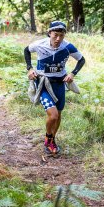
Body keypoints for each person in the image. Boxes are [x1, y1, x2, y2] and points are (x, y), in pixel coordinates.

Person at [24, 21, 85, 155]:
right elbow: (26, 50)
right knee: (53, 116)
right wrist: (29, 68)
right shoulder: (40, 44)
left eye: (61, 36)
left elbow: (81, 60)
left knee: (58, 116)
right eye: (55, 35)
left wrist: (72, 73)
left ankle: (52, 140)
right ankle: (48, 138)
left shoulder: (68, 47)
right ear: (49, 33)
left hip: (59, 84)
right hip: (44, 84)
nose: (58, 39)